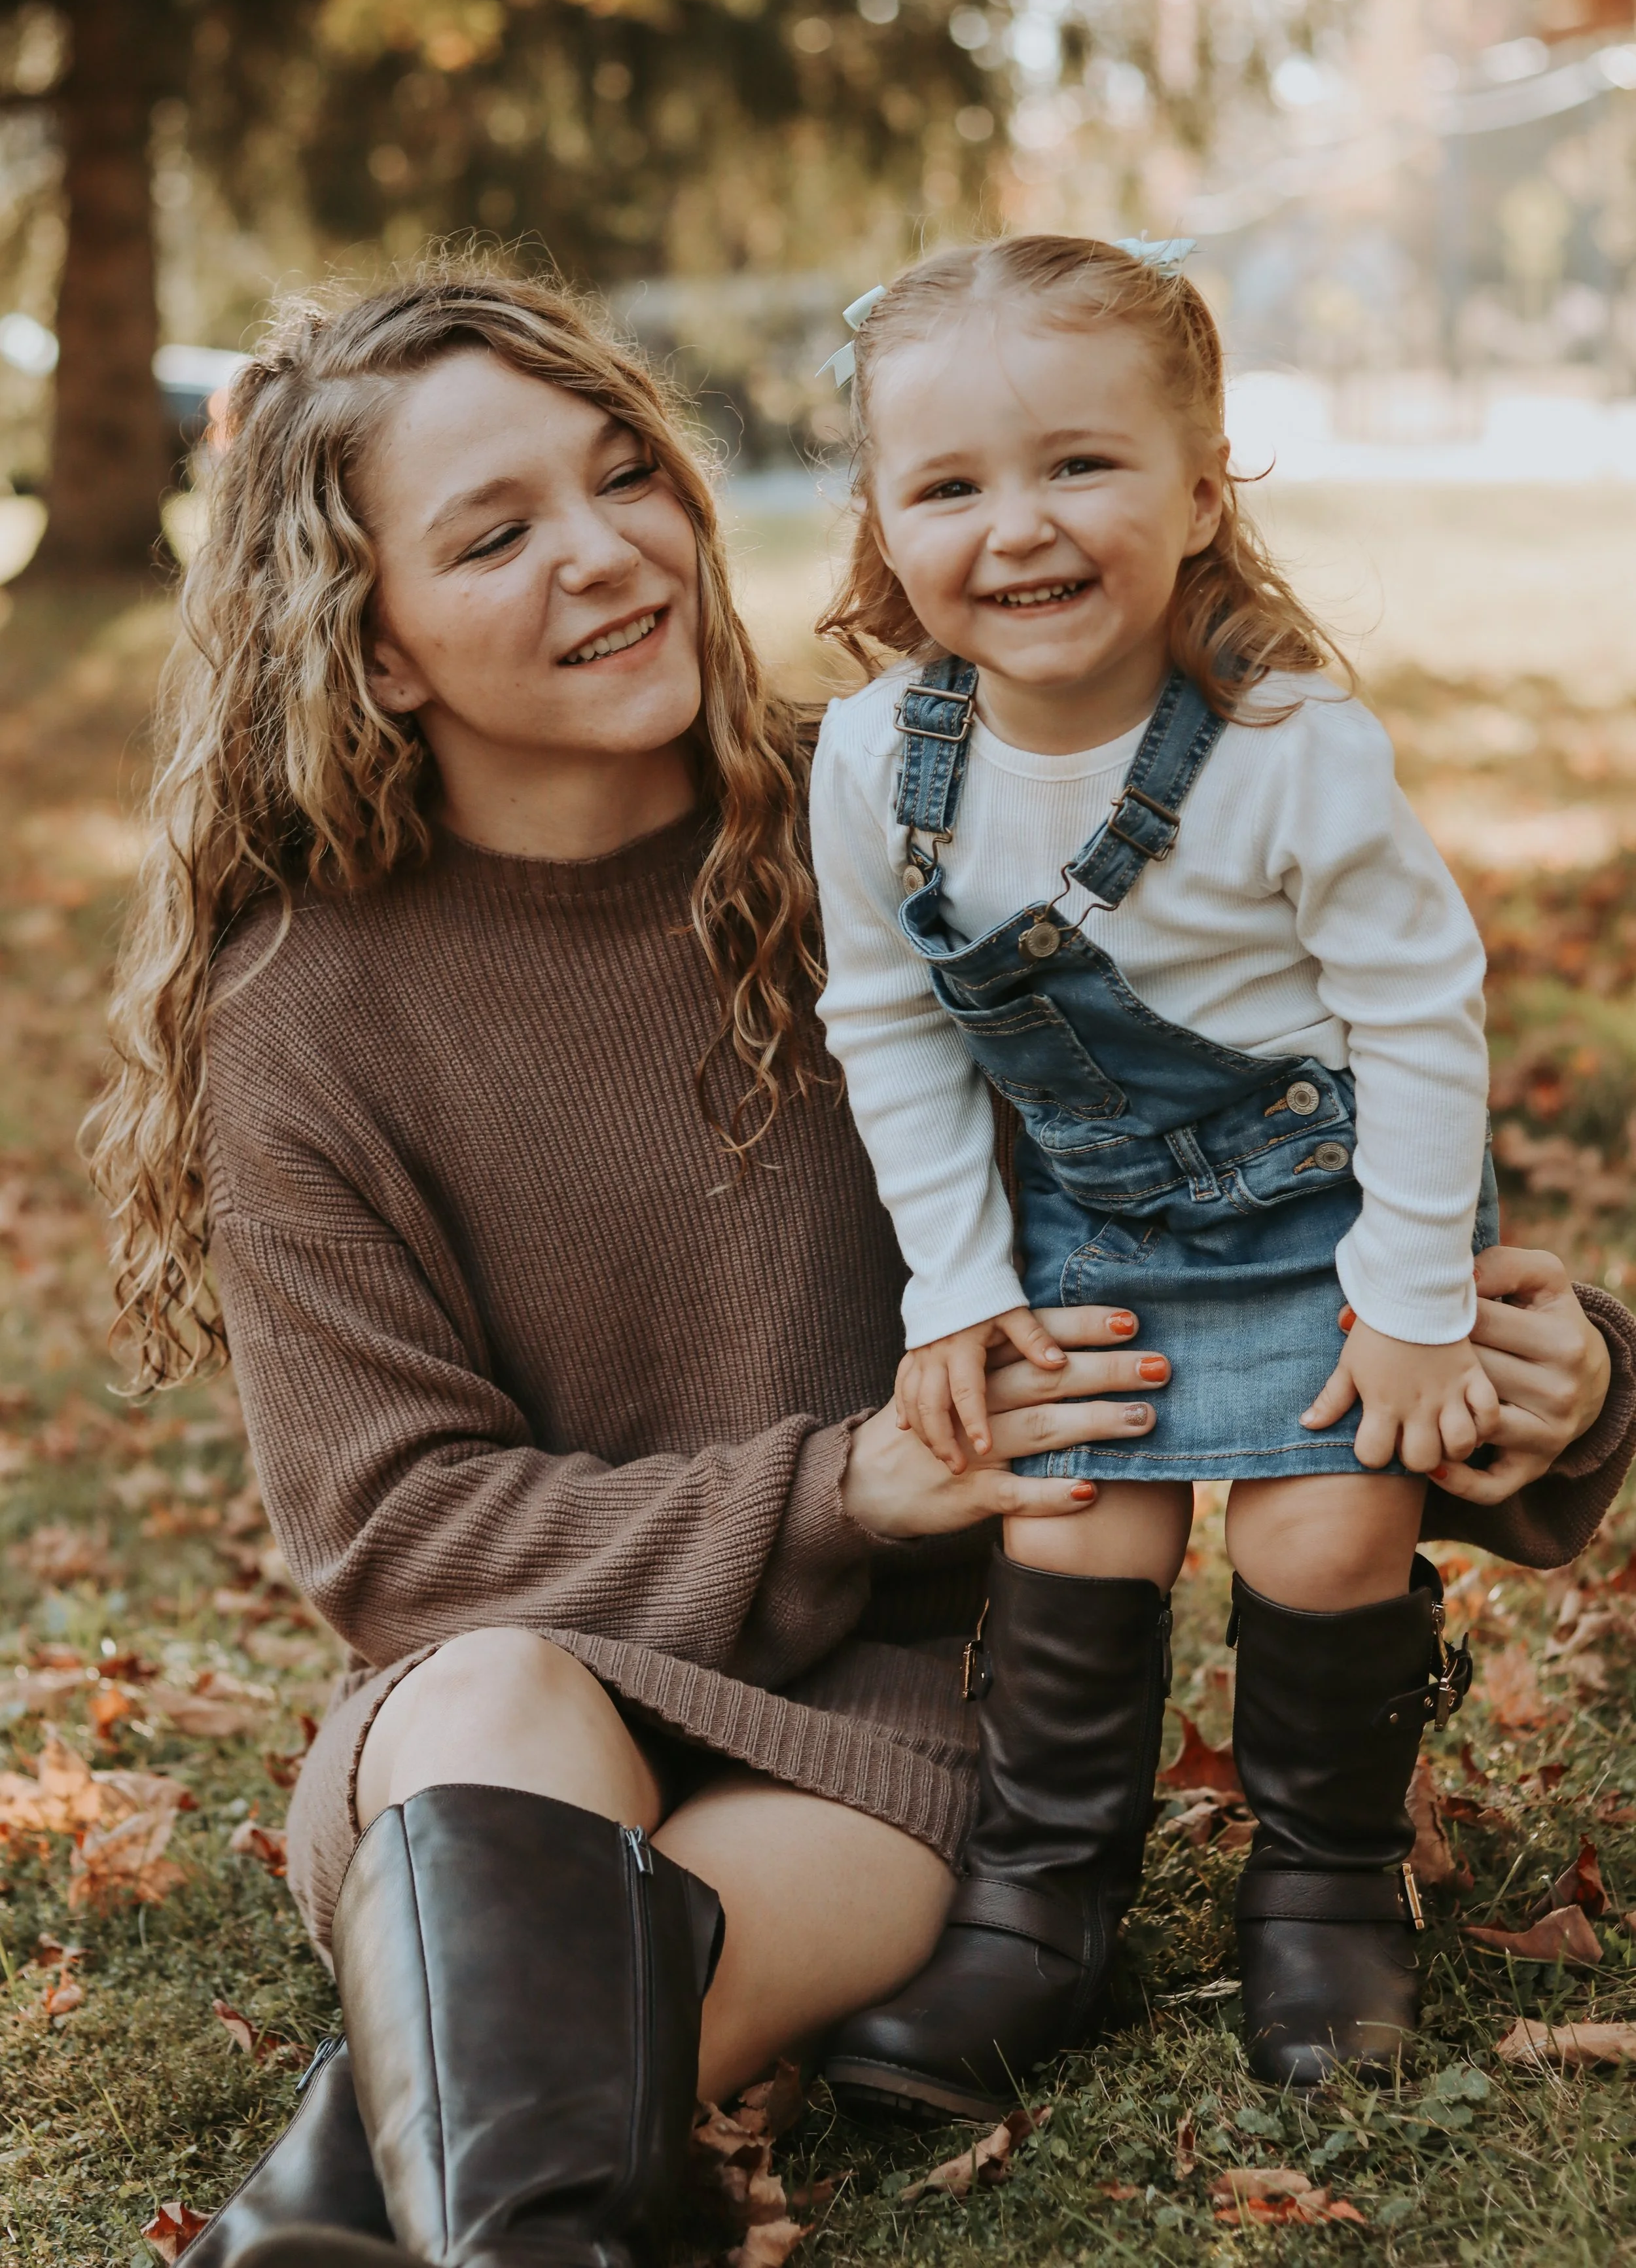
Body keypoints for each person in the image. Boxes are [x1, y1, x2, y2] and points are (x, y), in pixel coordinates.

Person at [81, 264, 1631, 2264]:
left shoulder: (932, 813)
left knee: (541, 2070)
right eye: (495, 531)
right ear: (367, 646)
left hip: (871, 1754)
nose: (608, 551)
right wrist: (843, 1485)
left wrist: (1566, 1367)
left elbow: (1262, 1152)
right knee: (495, 1706)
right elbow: (396, 1533)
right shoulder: (300, 1014)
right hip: (500, 1709)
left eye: (623, 473)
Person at [802, 232, 1588, 2111]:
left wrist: (1405, 1304)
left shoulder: (1286, 745)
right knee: (1076, 1513)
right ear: (880, 524)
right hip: (1090, 1210)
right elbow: (892, 1029)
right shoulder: (865, 761)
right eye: (950, 484)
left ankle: (1324, 1885)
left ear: (1202, 490)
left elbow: (1414, 1016)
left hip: (1331, 1208)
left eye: (1080, 464)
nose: (1019, 526)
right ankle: (1043, 1899)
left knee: (1325, 1525)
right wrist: (963, 1286)